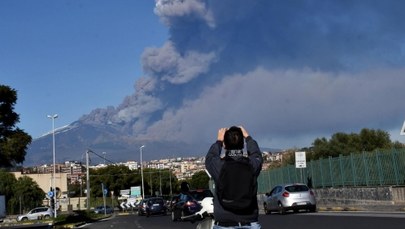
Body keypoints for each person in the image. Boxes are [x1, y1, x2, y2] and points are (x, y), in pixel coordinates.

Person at [205, 126, 263, 229]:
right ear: (242, 144)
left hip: (223, 224)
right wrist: (248, 137)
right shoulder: (252, 165)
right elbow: (256, 154)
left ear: (225, 145)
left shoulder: (219, 166)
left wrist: (218, 141)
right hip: (249, 222)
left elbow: (210, 157)